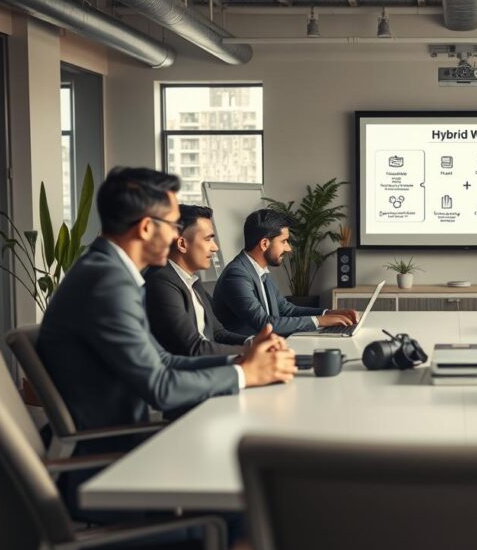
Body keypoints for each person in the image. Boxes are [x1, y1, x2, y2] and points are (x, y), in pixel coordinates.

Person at [37, 168, 297, 455]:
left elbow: (162, 360)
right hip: (109, 456)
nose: (177, 237)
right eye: (173, 225)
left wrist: (242, 361)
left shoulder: (108, 272)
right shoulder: (107, 284)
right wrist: (244, 374)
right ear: (147, 227)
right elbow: (160, 386)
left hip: (125, 438)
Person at [213, 209, 357, 337]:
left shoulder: (259, 270)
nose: (289, 248)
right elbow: (265, 324)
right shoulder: (237, 275)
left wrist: (327, 313)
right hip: (247, 356)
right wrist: (320, 321)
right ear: (264, 244)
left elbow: (286, 310)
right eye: (284, 241)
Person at [145, 204, 250, 356]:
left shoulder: (190, 280)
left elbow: (217, 332)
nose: (215, 248)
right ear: (182, 244)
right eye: (208, 240)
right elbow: (193, 348)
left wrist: (252, 341)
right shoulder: (161, 281)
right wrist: (250, 352)